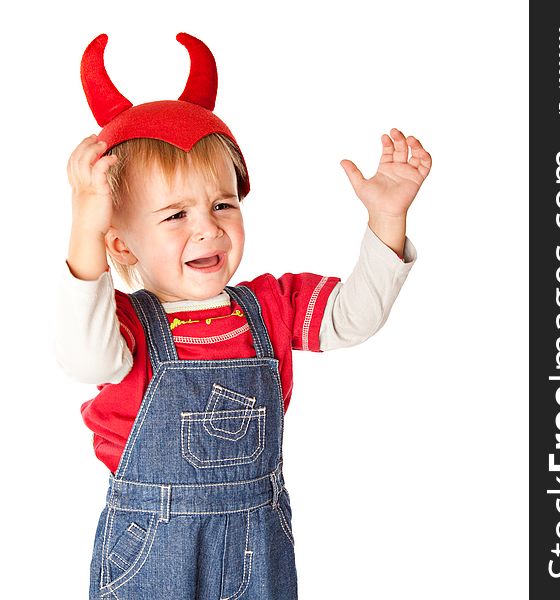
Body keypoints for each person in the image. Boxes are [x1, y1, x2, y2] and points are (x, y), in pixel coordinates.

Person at [54, 32, 431, 600]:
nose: (207, 227)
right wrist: (84, 227)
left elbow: (356, 318)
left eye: (223, 204)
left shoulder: (272, 306)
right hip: (152, 551)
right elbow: (81, 356)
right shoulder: (124, 327)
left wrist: (386, 220)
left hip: (258, 546)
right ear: (122, 245)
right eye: (175, 214)